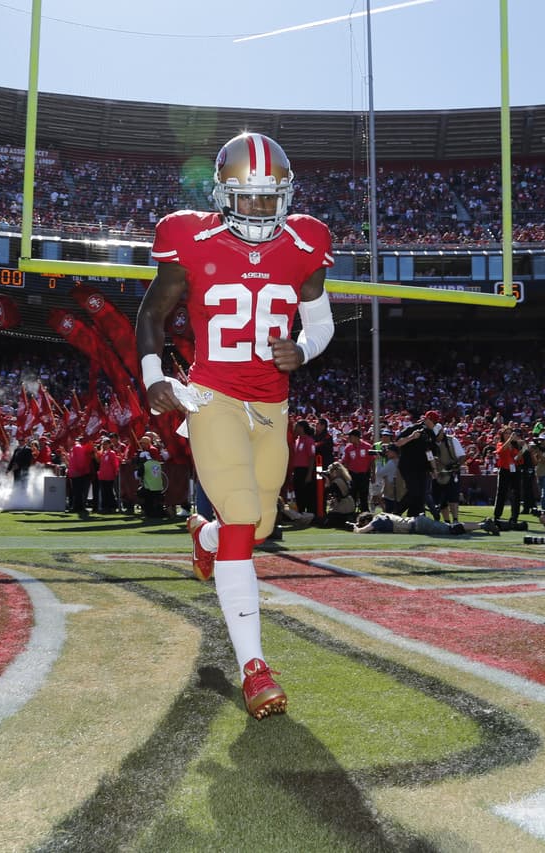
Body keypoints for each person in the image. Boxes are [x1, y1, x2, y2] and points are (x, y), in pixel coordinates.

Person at [136, 131, 334, 719]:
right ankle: (255, 668)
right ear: (223, 194)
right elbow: (152, 313)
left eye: (269, 196)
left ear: (287, 195)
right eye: (247, 197)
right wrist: (153, 376)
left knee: (260, 523)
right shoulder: (188, 236)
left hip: (271, 403)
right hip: (213, 396)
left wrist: (303, 349)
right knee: (245, 517)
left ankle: (205, 537)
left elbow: (320, 323)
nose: (259, 207)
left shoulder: (306, 241)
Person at [394, 410, 438, 518]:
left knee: (421, 494)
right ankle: (397, 512)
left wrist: (434, 468)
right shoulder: (412, 429)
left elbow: (429, 452)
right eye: (433, 421)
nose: (434, 424)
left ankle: (413, 516)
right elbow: (397, 443)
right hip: (408, 466)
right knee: (414, 491)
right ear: (427, 420)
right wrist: (412, 437)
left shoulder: (431, 434)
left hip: (422, 468)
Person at [351, 510, 500, 537]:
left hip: (418, 525)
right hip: (417, 523)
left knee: (451, 530)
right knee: (450, 529)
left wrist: (357, 529)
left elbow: (364, 530)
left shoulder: (377, 520)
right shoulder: (382, 516)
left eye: (362, 523)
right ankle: (481, 525)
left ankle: (483, 525)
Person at [430, 418, 467, 523]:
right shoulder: (431, 443)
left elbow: (462, 456)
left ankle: (455, 519)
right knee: (441, 499)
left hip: (452, 472)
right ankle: (446, 521)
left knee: (453, 497)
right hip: (438, 473)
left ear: (442, 432)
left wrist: (456, 465)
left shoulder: (452, 440)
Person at [492, 427, 524, 525]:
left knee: (516, 494)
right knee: (501, 493)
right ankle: (497, 516)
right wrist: (510, 440)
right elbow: (500, 451)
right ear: (503, 435)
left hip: (515, 470)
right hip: (504, 470)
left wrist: (522, 450)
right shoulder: (500, 443)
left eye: (510, 433)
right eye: (507, 433)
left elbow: (519, 459)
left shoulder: (516, 445)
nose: (509, 435)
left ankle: (514, 516)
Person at [289, 420, 318, 519]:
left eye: (296, 426)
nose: (295, 428)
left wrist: (309, 474)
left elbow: (312, 458)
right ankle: (300, 513)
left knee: (306, 493)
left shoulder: (309, 441)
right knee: (299, 493)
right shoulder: (297, 440)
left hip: (305, 470)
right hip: (297, 470)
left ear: (301, 428)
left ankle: (309, 515)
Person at [341, 428, 373, 513]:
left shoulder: (367, 446)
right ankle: (351, 512)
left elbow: (372, 461)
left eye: (350, 437)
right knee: (352, 494)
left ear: (356, 437)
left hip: (364, 474)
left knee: (364, 495)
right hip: (352, 475)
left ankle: (365, 513)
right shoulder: (348, 448)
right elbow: (345, 462)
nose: (349, 438)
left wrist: (373, 474)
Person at [320, 461, 357, 528]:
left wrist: (327, 479)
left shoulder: (336, 482)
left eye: (330, 471)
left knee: (326, 522)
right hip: (350, 504)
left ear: (334, 472)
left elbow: (327, 491)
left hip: (343, 506)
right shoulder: (345, 478)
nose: (329, 473)